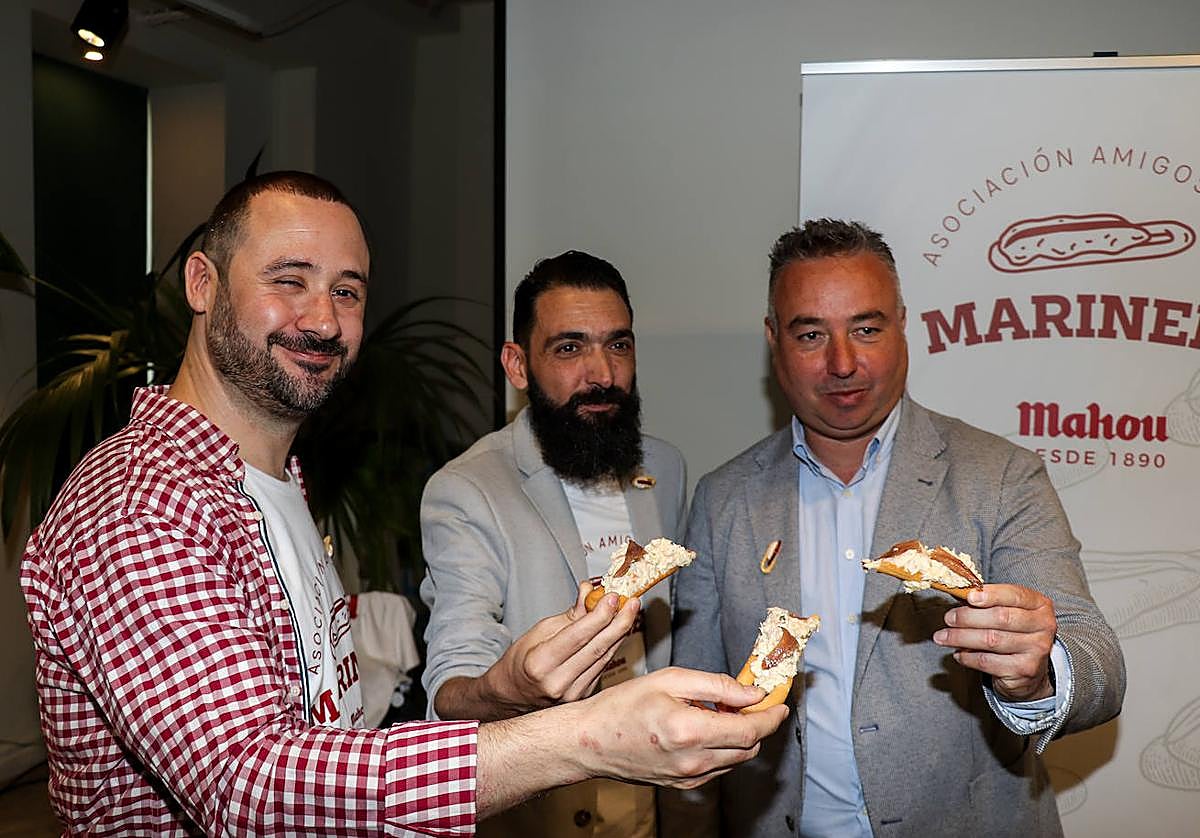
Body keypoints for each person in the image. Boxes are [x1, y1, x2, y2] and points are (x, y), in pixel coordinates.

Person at [20, 172, 787, 836]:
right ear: (201, 284)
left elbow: (324, 732)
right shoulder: (141, 504)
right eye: (289, 279)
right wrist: (583, 735)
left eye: (346, 291)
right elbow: (247, 788)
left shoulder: (275, 484)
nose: (323, 320)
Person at [670, 219, 1126, 837]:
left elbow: (1096, 663)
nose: (843, 363)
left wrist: (1037, 673)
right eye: (811, 334)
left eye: (866, 328)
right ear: (773, 341)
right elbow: (691, 710)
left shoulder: (1001, 476)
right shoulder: (723, 499)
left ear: (902, 324)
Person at [420, 251, 686, 837]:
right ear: (517, 365)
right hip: (540, 815)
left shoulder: (664, 469)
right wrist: (511, 688)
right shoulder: (467, 489)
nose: (602, 375)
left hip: (649, 807)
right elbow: (451, 689)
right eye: (569, 348)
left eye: (618, 345)